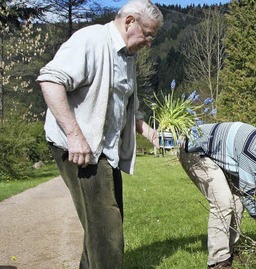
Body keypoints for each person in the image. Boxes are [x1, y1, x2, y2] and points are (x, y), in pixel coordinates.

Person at [36, 0, 163, 268]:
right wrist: (75, 136)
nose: (149, 42)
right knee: (106, 228)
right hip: (80, 148)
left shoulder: (126, 57)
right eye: (148, 34)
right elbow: (50, 81)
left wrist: (151, 134)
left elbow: (128, 110)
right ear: (130, 21)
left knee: (103, 223)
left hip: (104, 150)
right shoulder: (91, 40)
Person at [178, 122, 256, 269]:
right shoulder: (252, 151)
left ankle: (228, 253)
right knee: (223, 202)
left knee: (237, 203)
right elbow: (248, 197)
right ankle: (218, 262)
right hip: (194, 149)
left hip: (223, 154)